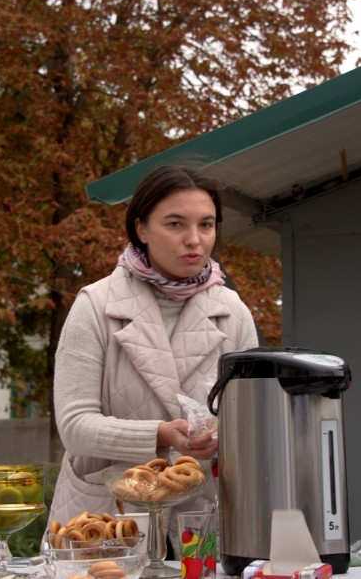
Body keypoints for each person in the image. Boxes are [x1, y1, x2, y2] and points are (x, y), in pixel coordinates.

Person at [49, 165, 259, 536]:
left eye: (206, 225)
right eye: (175, 224)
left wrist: (219, 436)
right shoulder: (95, 306)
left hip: (201, 519)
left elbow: (250, 422)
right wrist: (160, 433)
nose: (194, 239)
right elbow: (74, 427)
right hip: (105, 520)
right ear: (141, 228)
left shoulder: (234, 313)